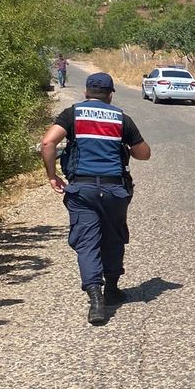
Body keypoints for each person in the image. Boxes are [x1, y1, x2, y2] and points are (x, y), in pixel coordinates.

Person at [40, 73, 151, 325]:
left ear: (86, 93)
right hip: (114, 191)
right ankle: (112, 289)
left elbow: (47, 143)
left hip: (82, 190)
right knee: (113, 239)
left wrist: (52, 175)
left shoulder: (72, 114)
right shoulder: (122, 118)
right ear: (111, 94)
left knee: (87, 242)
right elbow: (144, 154)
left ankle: (96, 299)